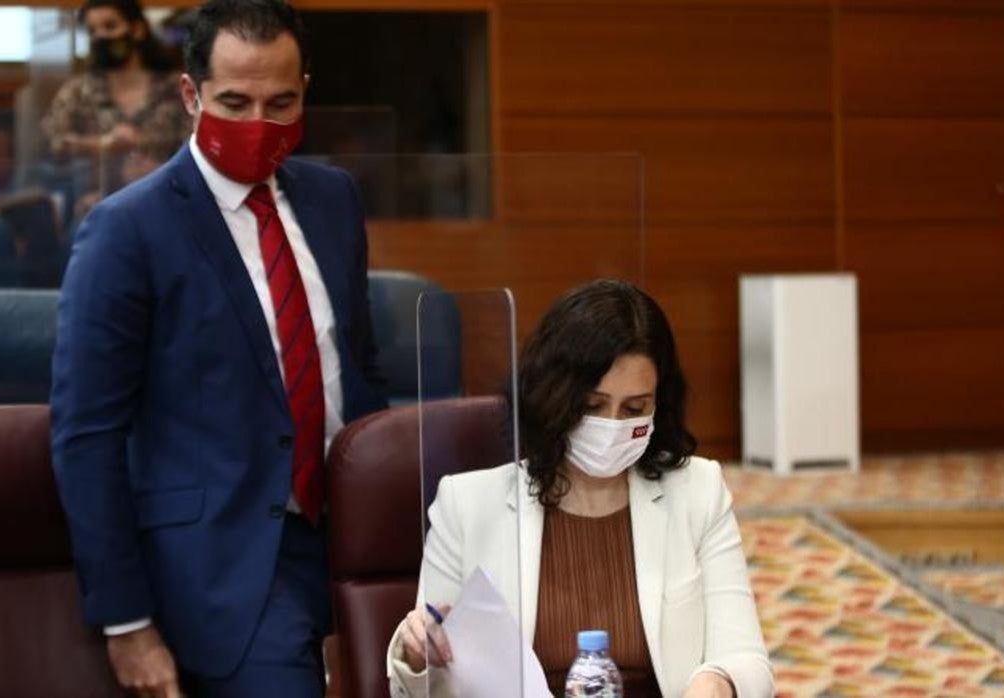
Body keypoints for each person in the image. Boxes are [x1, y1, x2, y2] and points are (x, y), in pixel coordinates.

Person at [50, 1, 386, 696]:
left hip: (352, 540)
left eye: (281, 102)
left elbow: (357, 366)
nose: (259, 123)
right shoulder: (126, 231)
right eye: (234, 101)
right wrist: (126, 623)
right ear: (189, 94)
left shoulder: (333, 199)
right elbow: (87, 435)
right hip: (224, 567)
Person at [387, 280, 774, 698]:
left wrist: (718, 680)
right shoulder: (467, 506)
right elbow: (423, 685)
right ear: (554, 397)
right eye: (591, 406)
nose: (611, 424)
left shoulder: (698, 491)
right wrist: (416, 656)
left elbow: (748, 660)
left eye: (634, 408)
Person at [43, 0, 190, 209]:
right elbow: (52, 144)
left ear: (137, 30)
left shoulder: (176, 89)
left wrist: (160, 172)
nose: (101, 37)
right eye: (93, 31)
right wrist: (102, 144)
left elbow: (198, 147)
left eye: (110, 26)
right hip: (95, 206)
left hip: (168, 201)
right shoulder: (78, 92)